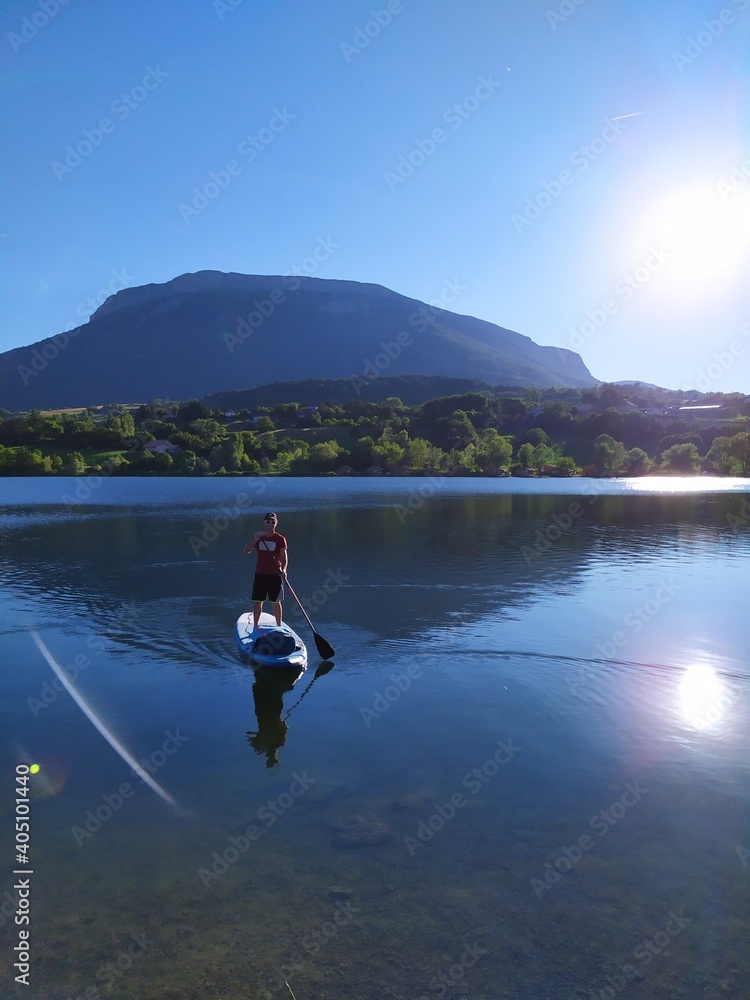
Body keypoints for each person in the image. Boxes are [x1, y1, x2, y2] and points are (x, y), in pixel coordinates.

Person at [244, 512, 288, 630]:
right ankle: (255, 626)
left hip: (275, 575)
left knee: (276, 602)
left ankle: (278, 626)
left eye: (273, 522)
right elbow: (246, 550)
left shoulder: (280, 539)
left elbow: (284, 557)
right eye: (268, 521)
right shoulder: (259, 537)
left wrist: (284, 570)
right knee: (258, 601)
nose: (270, 524)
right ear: (264, 523)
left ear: (276, 523)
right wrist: (255, 539)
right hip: (260, 575)